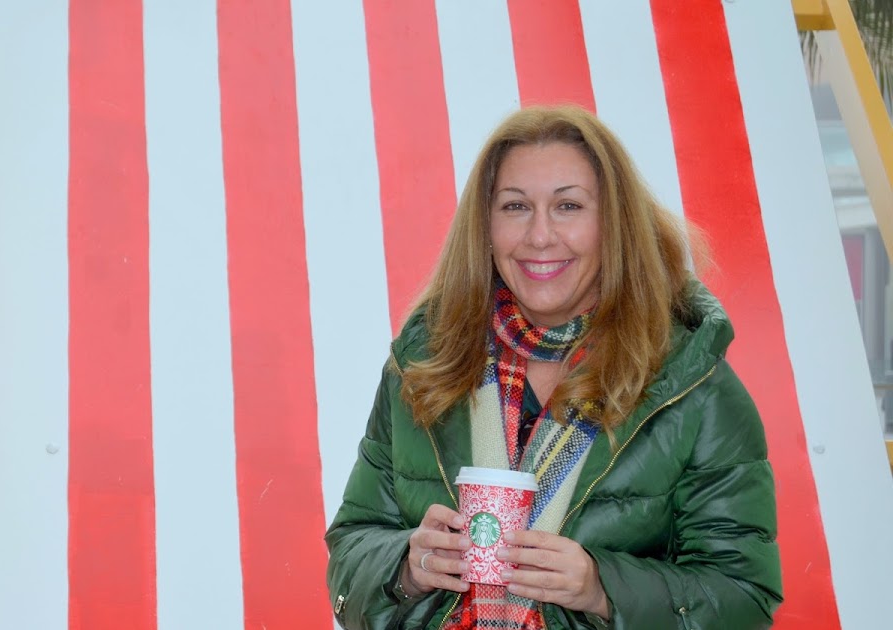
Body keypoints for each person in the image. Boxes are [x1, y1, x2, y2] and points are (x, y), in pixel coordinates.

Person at [325, 106, 782, 629]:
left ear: (614, 223)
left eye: (568, 206)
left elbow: (743, 598)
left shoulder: (691, 386)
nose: (540, 236)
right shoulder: (426, 365)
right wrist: (407, 565)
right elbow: (351, 548)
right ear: (485, 226)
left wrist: (601, 588)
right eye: (515, 206)